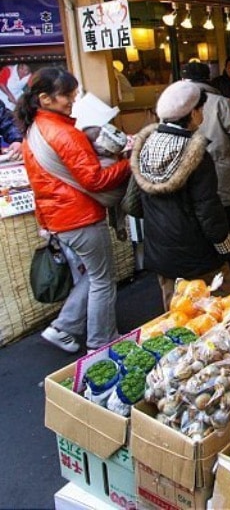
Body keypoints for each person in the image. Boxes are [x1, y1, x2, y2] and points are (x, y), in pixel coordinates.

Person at [16, 67, 130, 353]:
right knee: (103, 280)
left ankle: (62, 327)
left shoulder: (35, 129)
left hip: (58, 219)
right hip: (80, 218)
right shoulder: (64, 132)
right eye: (67, 95)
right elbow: (95, 179)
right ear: (45, 99)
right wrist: (129, 162)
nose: (72, 100)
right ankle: (101, 343)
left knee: (94, 275)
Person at [131, 81, 230, 312]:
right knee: (216, 312)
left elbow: (134, 203)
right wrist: (224, 243)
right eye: (201, 109)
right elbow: (207, 209)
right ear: (193, 113)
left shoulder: (145, 146)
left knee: (177, 314)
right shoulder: (196, 155)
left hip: (161, 250)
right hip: (197, 251)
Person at [181, 61, 230, 273]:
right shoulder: (221, 102)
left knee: (205, 223)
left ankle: (215, 269)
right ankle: (224, 266)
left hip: (188, 175)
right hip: (222, 172)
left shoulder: (178, 103)